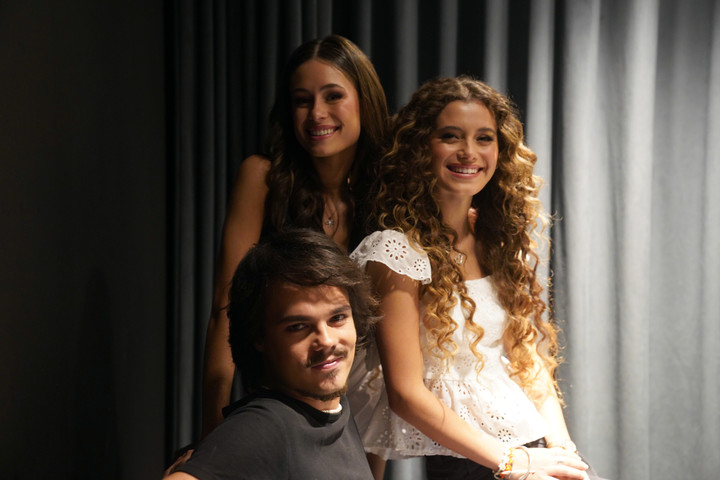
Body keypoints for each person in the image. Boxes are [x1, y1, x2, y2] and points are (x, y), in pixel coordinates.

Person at [348, 76, 601, 479]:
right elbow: (405, 394)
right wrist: (512, 460)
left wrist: (563, 451)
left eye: (484, 138)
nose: (469, 151)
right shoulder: (395, 250)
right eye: (451, 136)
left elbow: (529, 363)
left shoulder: (499, 240)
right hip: (466, 454)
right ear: (419, 148)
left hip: (527, 446)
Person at [201, 34, 389, 438]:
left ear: (365, 101)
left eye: (333, 95)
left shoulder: (392, 191)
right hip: (282, 397)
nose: (316, 113)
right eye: (302, 100)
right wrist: (211, 427)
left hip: (367, 404)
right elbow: (225, 308)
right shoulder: (263, 178)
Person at [165, 229, 378, 480]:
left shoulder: (334, 408)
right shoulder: (265, 427)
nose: (327, 341)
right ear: (260, 337)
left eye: (337, 318)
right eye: (298, 327)